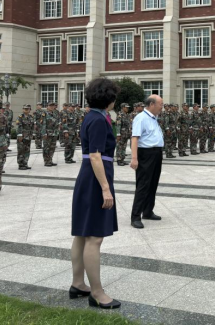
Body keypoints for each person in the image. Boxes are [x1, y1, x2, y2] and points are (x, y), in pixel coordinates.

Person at [71, 78, 121, 310]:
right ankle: (97, 292)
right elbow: (95, 155)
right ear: (109, 98)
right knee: (94, 237)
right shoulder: (99, 120)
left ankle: (78, 284)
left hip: (88, 176)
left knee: (82, 234)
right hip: (95, 178)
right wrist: (105, 188)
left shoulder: (91, 116)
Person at [130, 96, 165, 229]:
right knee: (143, 185)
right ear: (151, 104)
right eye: (160, 104)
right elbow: (135, 138)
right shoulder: (141, 118)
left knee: (153, 184)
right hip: (146, 154)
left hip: (156, 153)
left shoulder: (154, 118)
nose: (162, 107)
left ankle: (148, 211)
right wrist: (134, 158)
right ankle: (135, 216)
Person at [41, 102, 60, 167]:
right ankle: (46, 161)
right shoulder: (44, 114)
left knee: (52, 148)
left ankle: (50, 160)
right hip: (47, 133)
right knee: (46, 148)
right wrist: (44, 133)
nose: (52, 107)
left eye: (53, 106)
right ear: (47, 106)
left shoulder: (55, 114)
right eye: (50, 106)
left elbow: (57, 123)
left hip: (54, 133)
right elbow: (43, 124)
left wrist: (57, 131)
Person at [16, 104, 34, 171]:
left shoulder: (31, 117)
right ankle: (21, 164)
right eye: (25, 109)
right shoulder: (20, 117)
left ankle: (25, 163)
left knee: (27, 151)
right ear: (23, 109)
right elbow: (18, 126)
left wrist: (32, 134)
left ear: (30, 110)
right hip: (22, 137)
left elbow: (32, 126)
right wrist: (19, 135)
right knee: (21, 151)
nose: (26, 110)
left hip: (28, 137)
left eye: (27, 109)